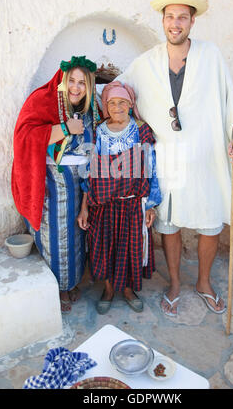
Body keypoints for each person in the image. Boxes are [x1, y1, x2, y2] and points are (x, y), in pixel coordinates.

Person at [116, 0, 233, 316]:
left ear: (192, 21)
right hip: (168, 160)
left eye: (182, 17)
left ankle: (203, 282)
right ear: (163, 21)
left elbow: (230, 99)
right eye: (170, 17)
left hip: (207, 157)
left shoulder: (210, 55)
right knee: (169, 225)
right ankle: (174, 282)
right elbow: (118, 89)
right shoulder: (146, 62)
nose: (176, 23)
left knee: (209, 225)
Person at [12, 55, 99, 313]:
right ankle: (57, 289)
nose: (75, 87)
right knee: (55, 239)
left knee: (76, 237)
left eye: (82, 83)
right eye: (71, 81)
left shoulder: (90, 107)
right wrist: (64, 128)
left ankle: (70, 283)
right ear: (62, 80)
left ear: (89, 86)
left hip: (79, 186)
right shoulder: (43, 100)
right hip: (50, 186)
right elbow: (25, 136)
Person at [77, 81, 162, 314]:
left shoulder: (141, 130)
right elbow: (88, 172)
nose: (117, 107)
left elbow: (151, 168)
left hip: (133, 203)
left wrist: (151, 205)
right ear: (105, 106)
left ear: (130, 104)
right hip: (103, 204)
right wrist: (84, 207)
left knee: (130, 248)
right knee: (104, 247)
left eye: (122, 102)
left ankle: (127, 289)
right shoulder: (98, 134)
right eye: (112, 103)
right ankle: (108, 289)